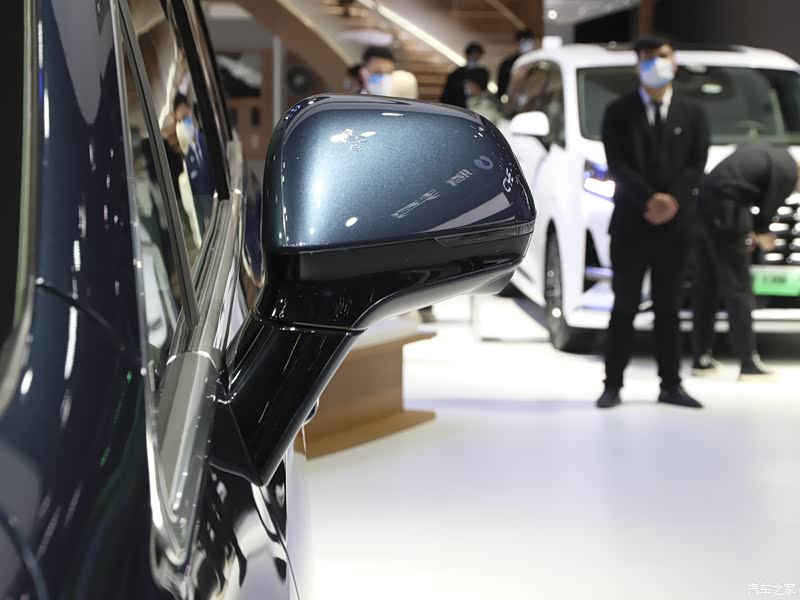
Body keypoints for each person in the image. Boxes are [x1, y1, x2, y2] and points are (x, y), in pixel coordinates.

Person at [597, 35, 710, 410]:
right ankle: (612, 384)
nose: (655, 63)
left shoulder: (693, 112)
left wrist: (671, 201)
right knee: (624, 306)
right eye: (646, 58)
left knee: (669, 307)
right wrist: (650, 200)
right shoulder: (619, 111)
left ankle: (671, 384)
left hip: (676, 227)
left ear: (674, 62)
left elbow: (696, 163)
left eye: (661, 56)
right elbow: (617, 165)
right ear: (637, 65)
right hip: (631, 221)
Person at [692, 145, 800, 380]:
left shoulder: (773, 156)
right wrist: (761, 234)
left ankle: (701, 358)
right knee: (738, 288)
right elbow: (768, 210)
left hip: (704, 207)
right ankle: (748, 362)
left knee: (707, 286)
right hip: (728, 213)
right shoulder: (788, 170)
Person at [173, 93, 215, 234]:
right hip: (210, 220)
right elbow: (195, 203)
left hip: (222, 209)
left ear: (191, 113)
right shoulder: (187, 161)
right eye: (180, 121)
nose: (185, 124)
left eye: (186, 117)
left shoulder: (209, 141)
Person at [440, 42, 486, 108]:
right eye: (472, 55)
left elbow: (482, 90)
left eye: (476, 55)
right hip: (457, 105)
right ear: (467, 55)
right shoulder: (456, 73)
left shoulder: (483, 73)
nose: (474, 58)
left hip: (475, 106)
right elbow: (447, 94)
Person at [497, 29, 536, 99]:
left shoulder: (538, 62)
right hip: (512, 98)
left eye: (529, 41)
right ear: (517, 43)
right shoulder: (507, 63)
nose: (526, 45)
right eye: (523, 42)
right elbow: (501, 86)